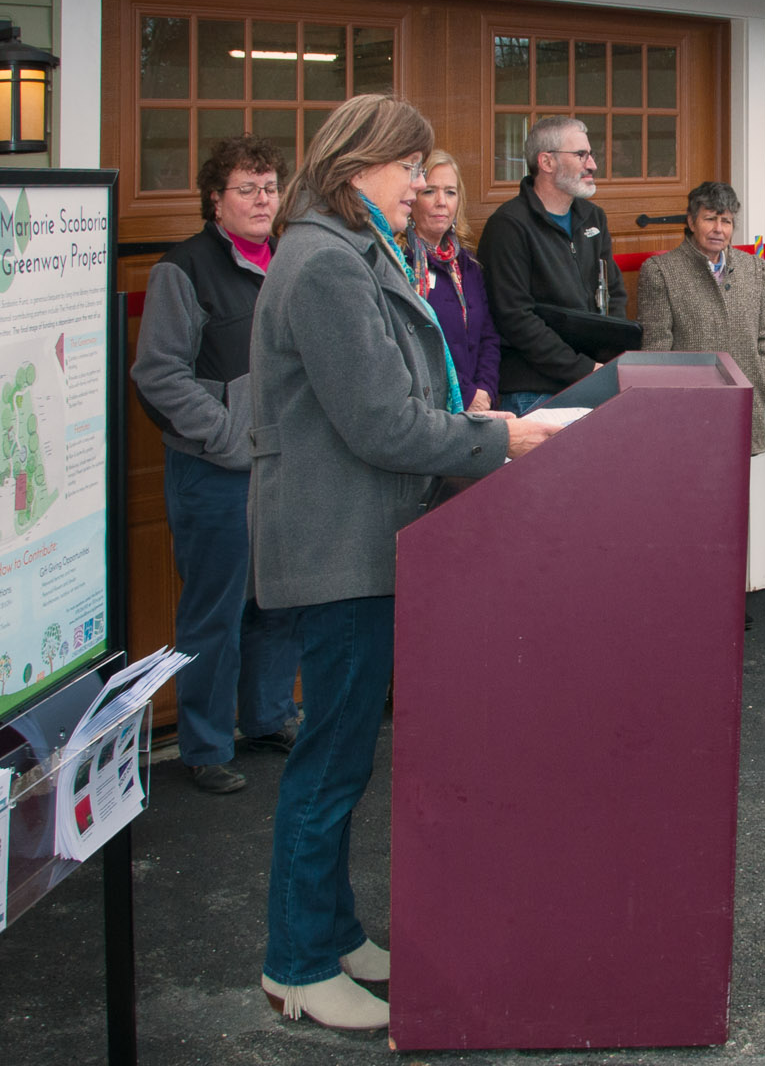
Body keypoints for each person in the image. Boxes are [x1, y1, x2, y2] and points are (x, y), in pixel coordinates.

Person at [249, 95, 559, 1030]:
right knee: (330, 764)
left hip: (366, 544)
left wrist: (468, 422)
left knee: (344, 757)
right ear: (356, 174)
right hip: (339, 551)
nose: (421, 184)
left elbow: (401, 392)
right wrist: (499, 439)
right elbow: (382, 423)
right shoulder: (325, 267)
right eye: (406, 168)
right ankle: (297, 965)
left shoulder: (354, 252)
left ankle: (331, 931)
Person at [130, 134, 301, 795]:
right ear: (215, 199)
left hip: (285, 466)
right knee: (215, 612)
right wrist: (228, 438)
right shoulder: (185, 270)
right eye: (246, 188)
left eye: (269, 187)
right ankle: (203, 745)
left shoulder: (292, 261)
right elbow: (158, 374)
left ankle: (267, 717)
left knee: (278, 603)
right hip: (215, 472)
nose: (261, 200)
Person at [478, 115, 630, 414]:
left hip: (593, 378)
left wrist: (610, 359)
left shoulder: (593, 217)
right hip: (533, 388)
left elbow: (614, 293)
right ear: (546, 162)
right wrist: (585, 369)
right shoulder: (508, 226)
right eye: (580, 155)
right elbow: (515, 319)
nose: (592, 165)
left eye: (590, 154)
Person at [636, 181, 765, 453]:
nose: (718, 229)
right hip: (687, 408)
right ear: (691, 221)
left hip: (744, 402)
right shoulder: (661, 271)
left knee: (737, 491)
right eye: (710, 219)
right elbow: (656, 348)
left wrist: (763, 382)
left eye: (726, 221)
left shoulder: (753, 267)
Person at [409, 149, 500, 413]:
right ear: (411, 197)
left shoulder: (467, 264)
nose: (442, 202)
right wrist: (467, 394)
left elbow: (488, 336)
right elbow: (419, 345)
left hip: (479, 406)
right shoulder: (400, 263)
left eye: (450, 192)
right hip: (428, 410)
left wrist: (484, 391)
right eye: (429, 191)